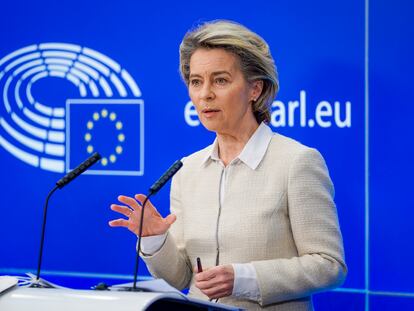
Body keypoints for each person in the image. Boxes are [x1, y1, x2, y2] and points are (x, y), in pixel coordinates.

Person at [109, 20, 347, 310]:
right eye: (196, 82)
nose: (205, 94)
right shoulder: (188, 169)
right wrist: (155, 238)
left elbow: (329, 265)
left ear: (255, 89)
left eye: (220, 80)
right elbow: (182, 277)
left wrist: (245, 278)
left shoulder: (296, 162)